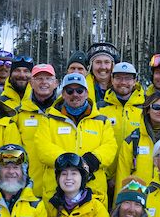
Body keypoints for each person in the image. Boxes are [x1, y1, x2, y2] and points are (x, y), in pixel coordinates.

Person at [30, 72, 119, 200]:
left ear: (87, 93)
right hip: (57, 189)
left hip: (93, 189)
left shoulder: (101, 121)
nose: (75, 94)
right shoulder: (49, 119)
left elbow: (110, 146)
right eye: (70, 91)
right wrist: (66, 160)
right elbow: (42, 146)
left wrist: (92, 160)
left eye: (79, 90)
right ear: (63, 94)